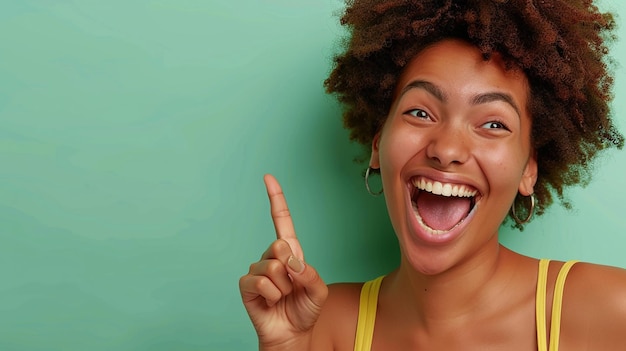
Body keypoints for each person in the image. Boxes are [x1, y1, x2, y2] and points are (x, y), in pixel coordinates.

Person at [239, 0, 626, 350]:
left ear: (529, 170)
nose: (447, 150)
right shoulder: (319, 324)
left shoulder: (609, 310)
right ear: (377, 145)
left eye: (493, 124)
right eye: (420, 113)